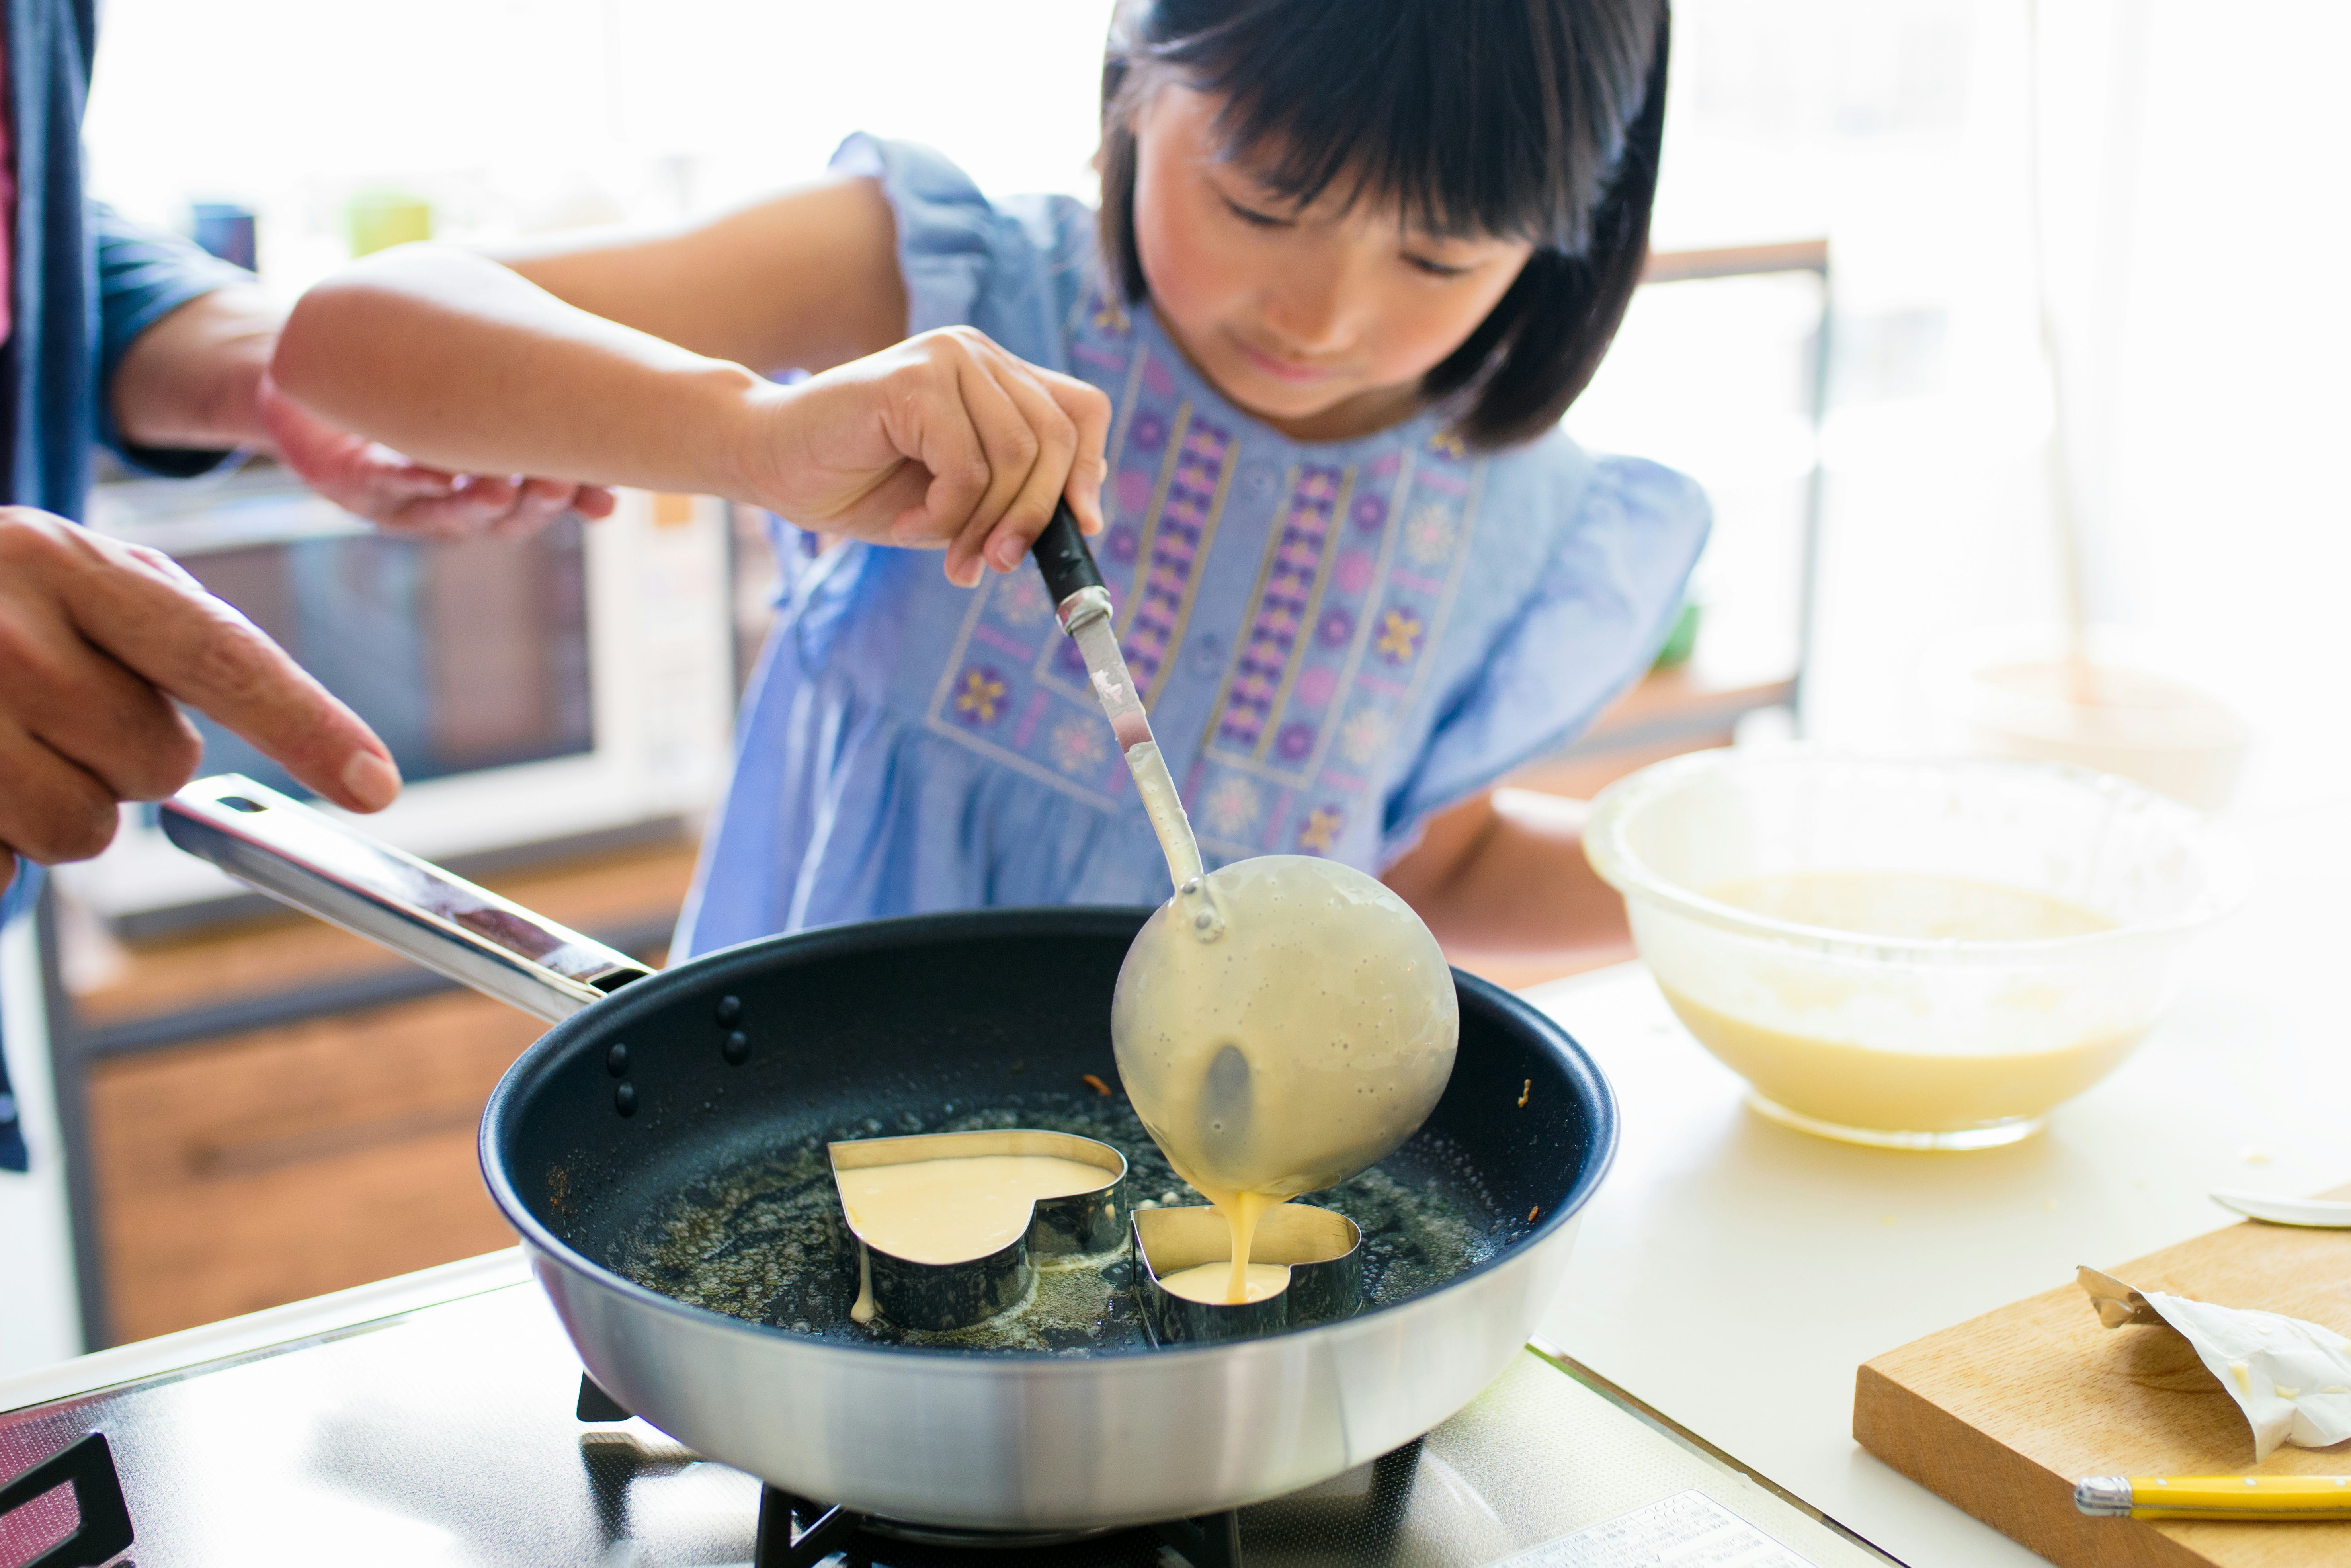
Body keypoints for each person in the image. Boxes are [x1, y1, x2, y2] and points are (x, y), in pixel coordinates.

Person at [268, 0, 1701, 965]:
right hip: (811, 1143)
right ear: (1135, 89)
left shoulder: (1516, 520)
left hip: (1196, 1264)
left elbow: (1416, 868)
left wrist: (1728, 896)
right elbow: (349, 341)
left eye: (1440, 258)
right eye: (1261, 203)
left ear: (1573, 228)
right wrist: (748, 440)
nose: (1322, 316)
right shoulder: (945, 283)